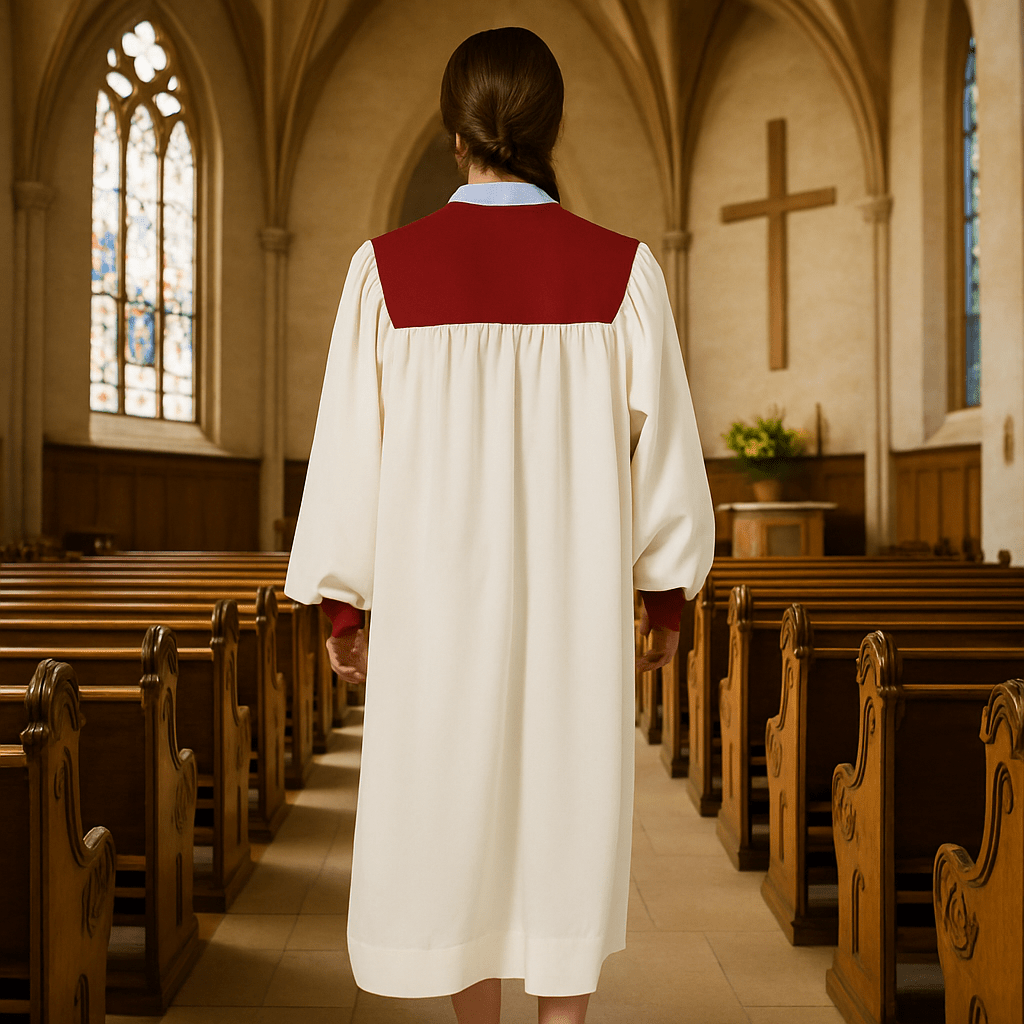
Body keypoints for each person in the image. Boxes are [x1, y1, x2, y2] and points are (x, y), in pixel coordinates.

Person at [283, 26, 715, 1024]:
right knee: (564, 813)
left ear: (453, 133)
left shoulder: (382, 272)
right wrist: (661, 602)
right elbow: (668, 466)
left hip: (436, 624)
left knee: (452, 826)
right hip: (572, 619)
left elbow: (351, 455)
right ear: (552, 127)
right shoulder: (623, 273)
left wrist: (345, 615)